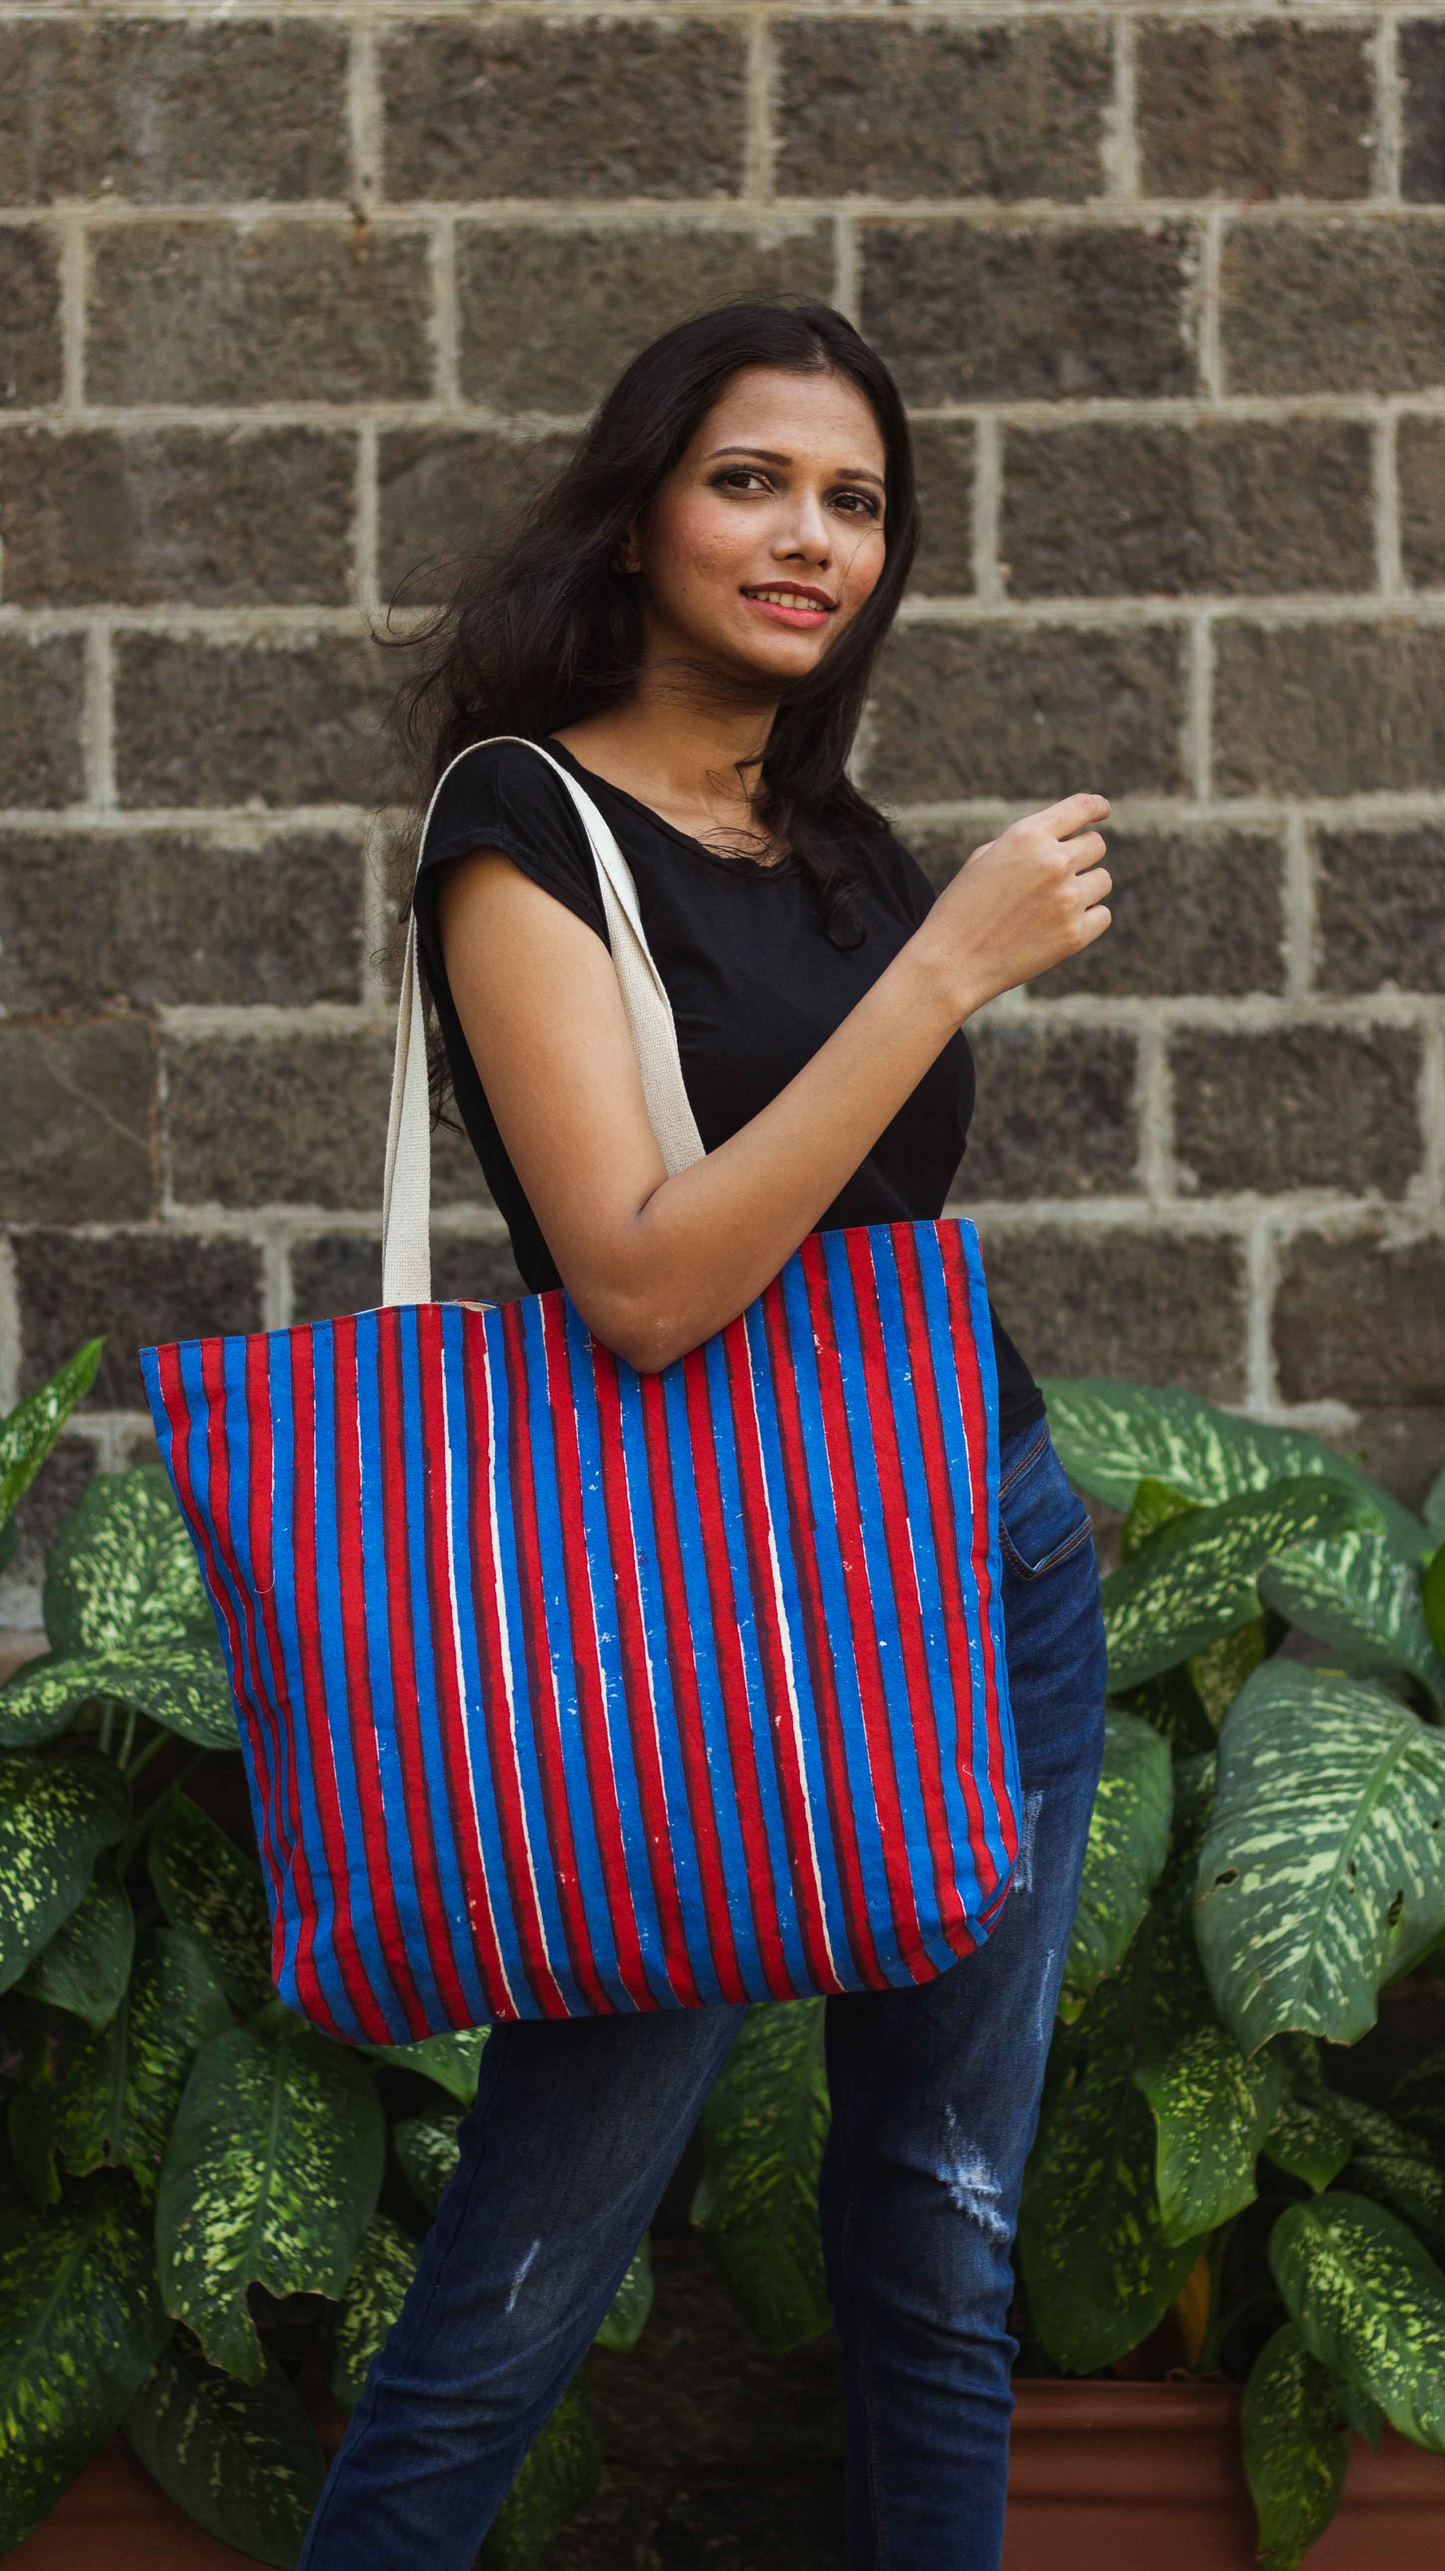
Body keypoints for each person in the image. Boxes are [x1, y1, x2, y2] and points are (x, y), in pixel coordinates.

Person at [299, 300, 1110, 2571]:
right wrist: (940, 973)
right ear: (643, 501)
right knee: (529, 2273)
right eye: (752, 478)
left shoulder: (822, 830)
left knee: (940, 2245)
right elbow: (639, 1280)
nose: (805, 536)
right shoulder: (521, 823)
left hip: (984, 1572)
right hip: (690, 1623)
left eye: (853, 503)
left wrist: (909, 936)